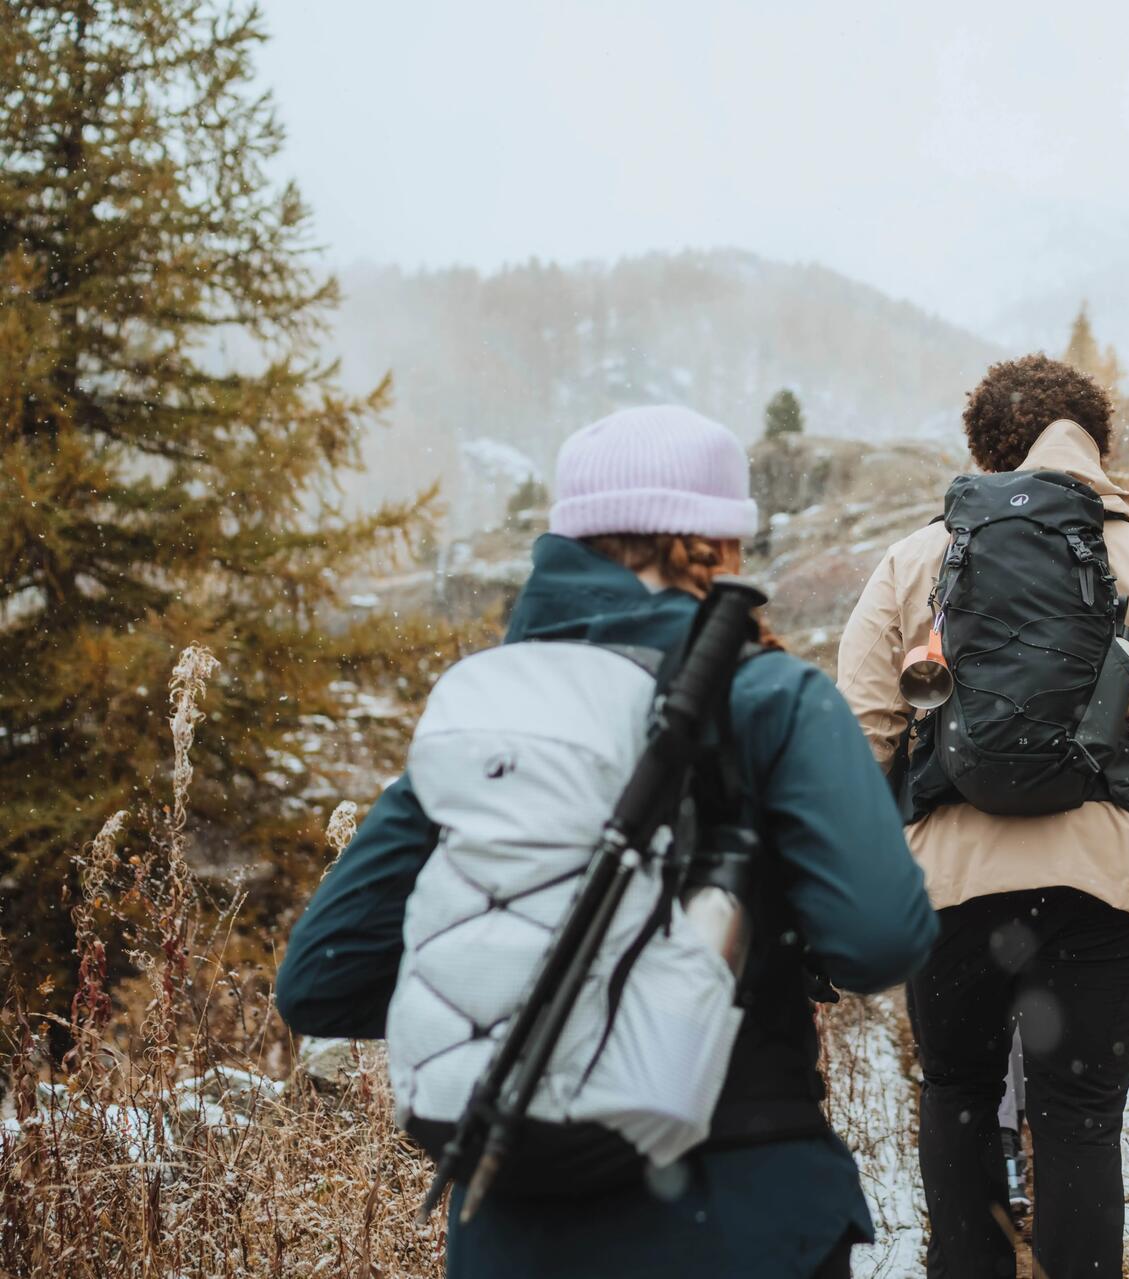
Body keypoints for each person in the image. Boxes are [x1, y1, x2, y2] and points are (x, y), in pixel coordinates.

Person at [277, 405, 939, 1279]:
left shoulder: (478, 713)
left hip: (517, 1229)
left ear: (570, 544)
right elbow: (878, 939)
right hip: (740, 1209)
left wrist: (507, 981)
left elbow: (319, 979)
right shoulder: (771, 695)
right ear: (715, 545)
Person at [838, 354, 1129, 1278]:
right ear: (1097, 447)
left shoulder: (913, 563)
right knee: (1082, 1121)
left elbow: (859, 744)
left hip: (949, 890)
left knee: (958, 1094)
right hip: (1102, 892)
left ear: (984, 450)